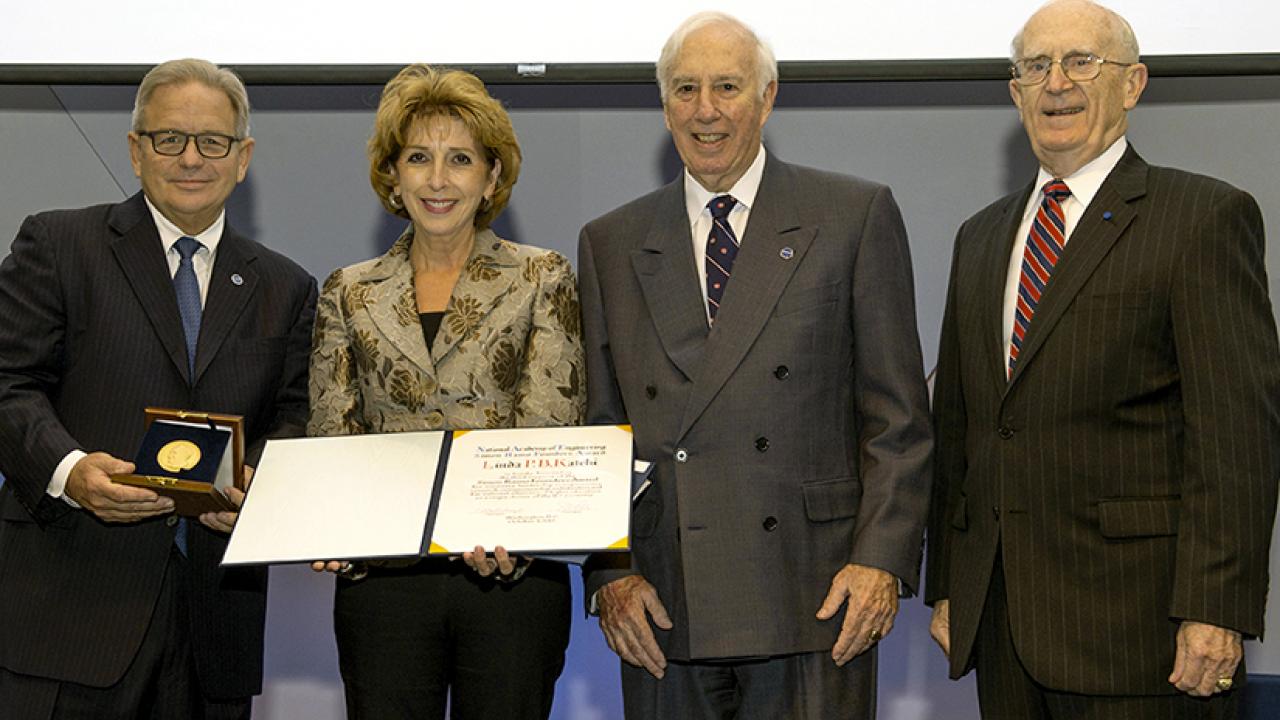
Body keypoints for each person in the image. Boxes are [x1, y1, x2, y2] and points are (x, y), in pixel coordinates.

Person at [925, 1, 1280, 717]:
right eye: (1036, 67)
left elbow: (1236, 438)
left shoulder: (1202, 218)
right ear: (1015, 91)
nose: (1057, 83)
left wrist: (1217, 608)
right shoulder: (981, 237)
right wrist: (948, 582)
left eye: (1082, 62)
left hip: (1143, 635)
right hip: (1001, 628)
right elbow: (962, 425)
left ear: (1134, 83)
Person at [577, 11, 933, 719]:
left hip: (816, 591)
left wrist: (882, 562)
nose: (705, 110)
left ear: (767, 98)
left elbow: (897, 419)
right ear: (663, 104)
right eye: (685, 89)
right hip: (664, 605)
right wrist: (611, 574)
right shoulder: (611, 242)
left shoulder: (853, 214)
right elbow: (600, 427)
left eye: (728, 87)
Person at [0, 58, 317, 719]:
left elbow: (294, 419)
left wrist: (263, 486)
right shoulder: (59, 243)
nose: (191, 158)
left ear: (243, 157)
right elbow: (9, 382)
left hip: (215, 625)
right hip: (71, 611)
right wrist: (70, 469)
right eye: (169, 138)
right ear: (136, 151)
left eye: (213, 142)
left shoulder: (286, 287)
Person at [307, 64, 584, 719]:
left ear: (491, 177)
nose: (438, 180)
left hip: (511, 578)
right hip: (384, 582)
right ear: (392, 176)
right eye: (419, 158)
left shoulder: (543, 275)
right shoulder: (347, 289)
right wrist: (329, 526)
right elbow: (331, 435)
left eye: (460, 159)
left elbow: (550, 425)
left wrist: (511, 530)